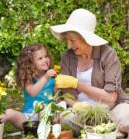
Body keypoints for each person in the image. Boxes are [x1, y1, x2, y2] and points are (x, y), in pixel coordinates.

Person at [50, 8, 129, 138]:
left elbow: (110, 98)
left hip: (111, 109)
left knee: (127, 115)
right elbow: (67, 95)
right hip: (81, 114)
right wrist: (77, 106)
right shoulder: (67, 58)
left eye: (72, 40)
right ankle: (110, 132)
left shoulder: (108, 55)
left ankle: (102, 131)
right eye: (67, 40)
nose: (69, 45)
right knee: (65, 118)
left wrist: (78, 84)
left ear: (86, 38)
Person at [0, 43, 57, 130]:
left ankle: (44, 131)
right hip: (29, 119)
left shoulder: (53, 77)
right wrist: (46, 77)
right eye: (40, 58)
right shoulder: (29, 78)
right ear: (30, 63)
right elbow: (32, 92)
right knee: (9, 112)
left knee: (44, 111)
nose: (45, 60)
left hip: (48, 116)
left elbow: (57, 97)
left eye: (46, 56)